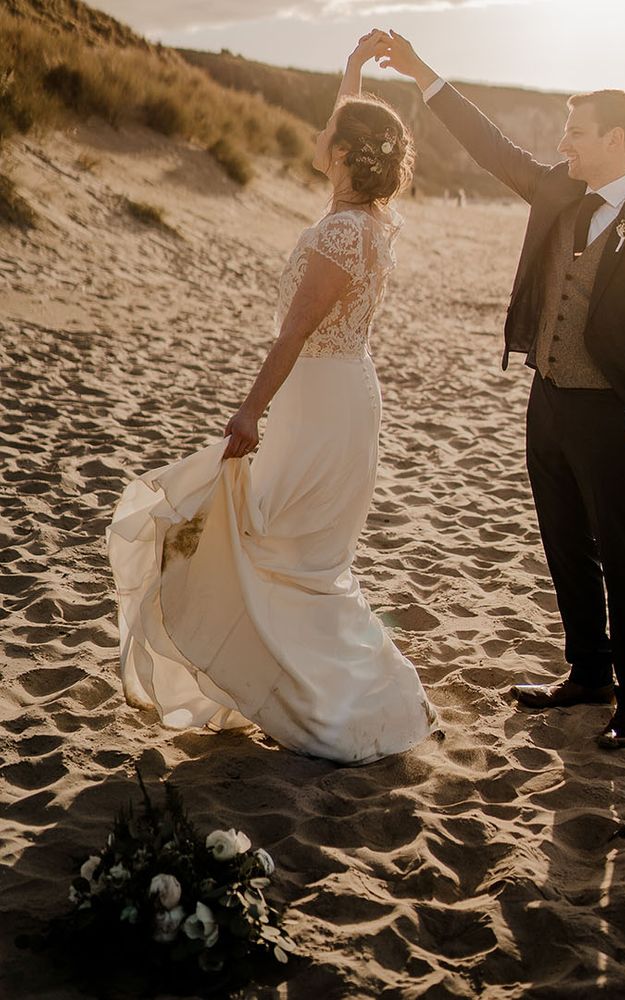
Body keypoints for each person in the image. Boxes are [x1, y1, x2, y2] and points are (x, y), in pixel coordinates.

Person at [377, 32, 625, 749]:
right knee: (564, 543)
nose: (563, 144)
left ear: (614, 139)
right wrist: (420, 72)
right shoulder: (560, 189)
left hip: (615, 415)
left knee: (622, 555)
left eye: (576, 133)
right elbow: (489, 145)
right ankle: (589, 674)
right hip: (549, 401)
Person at [107, 31, 438, 765]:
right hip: (345, 392)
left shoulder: (340, 234)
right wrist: (351, 71)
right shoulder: (370, 219)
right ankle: (345, 689)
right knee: (304, 553)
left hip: (316, 403)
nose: (319, 135)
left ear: (344, 154)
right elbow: (352, 129)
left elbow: (293, 334)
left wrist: (250, 410)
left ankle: (341, 701)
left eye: (329, 133)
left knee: (283, 548)